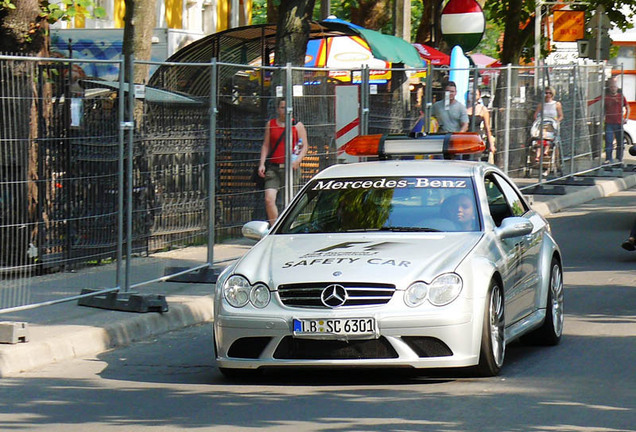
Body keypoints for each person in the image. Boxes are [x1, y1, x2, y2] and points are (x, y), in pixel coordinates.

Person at [257, 98, 308, 225]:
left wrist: (298, 161)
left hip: (291, 168)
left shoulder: (297, 126)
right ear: (277, 109)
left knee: (290, 201)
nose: (284, 110)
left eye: (286, 107)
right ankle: (275, 227)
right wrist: (262, 164)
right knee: (269, 199)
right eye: (281, 107)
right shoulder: (271, 124)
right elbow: (266, 145)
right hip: (273, 167)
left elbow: (304, 146)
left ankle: (289, 226)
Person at [533, 86, 564, 162]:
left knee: (548, 135)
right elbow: (535, 115)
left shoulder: (557, 104)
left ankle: (545, 151)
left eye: (550, 93)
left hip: (552, 123)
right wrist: (537, 120)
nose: (548, 95)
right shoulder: (541, 105)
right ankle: (538, 154)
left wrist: (557, 121)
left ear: (552, 94)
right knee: (540, 135)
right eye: (546, 93)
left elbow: (561, 116)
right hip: (542, 123)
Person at [603, 77, 630, 164]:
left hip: (619, 122)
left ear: (617, 88)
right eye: (611, 87)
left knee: (620, 142)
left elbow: (628, 107)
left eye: (614, 87)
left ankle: (619, 159)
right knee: (608, 141)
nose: (613, 89)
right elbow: (603, 109)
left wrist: (626, 118)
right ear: (609, 88)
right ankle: (608, 159)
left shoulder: (621, 97)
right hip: (609, 123)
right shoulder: (606, 98)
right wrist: (603, 117)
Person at [467, 89, 496, 161]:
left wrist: (491, 144)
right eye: (471, 94)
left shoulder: (483, 109)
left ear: (479, 96)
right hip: (466, 138)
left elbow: (487, 128)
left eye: (475, 94)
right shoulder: (465, 108)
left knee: (475, 159)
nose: (473, 96)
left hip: (477, 138)